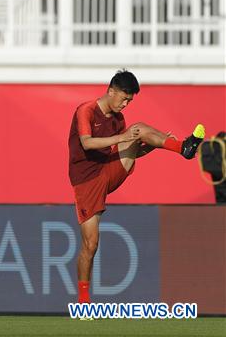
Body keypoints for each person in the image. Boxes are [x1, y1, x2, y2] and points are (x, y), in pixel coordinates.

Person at [68, 69, 204, 305]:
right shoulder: (86, 110)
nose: (126, 103)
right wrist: (121, 139)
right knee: (91, 245)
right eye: (124, 98)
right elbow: (87, 143)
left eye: (130, 100)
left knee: (140, 129)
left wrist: (153, 146)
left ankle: (183, 147)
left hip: (108, 171)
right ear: (111, 91)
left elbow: (132, 150)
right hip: (86, 182)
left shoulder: (119, 119)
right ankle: (83, 301)